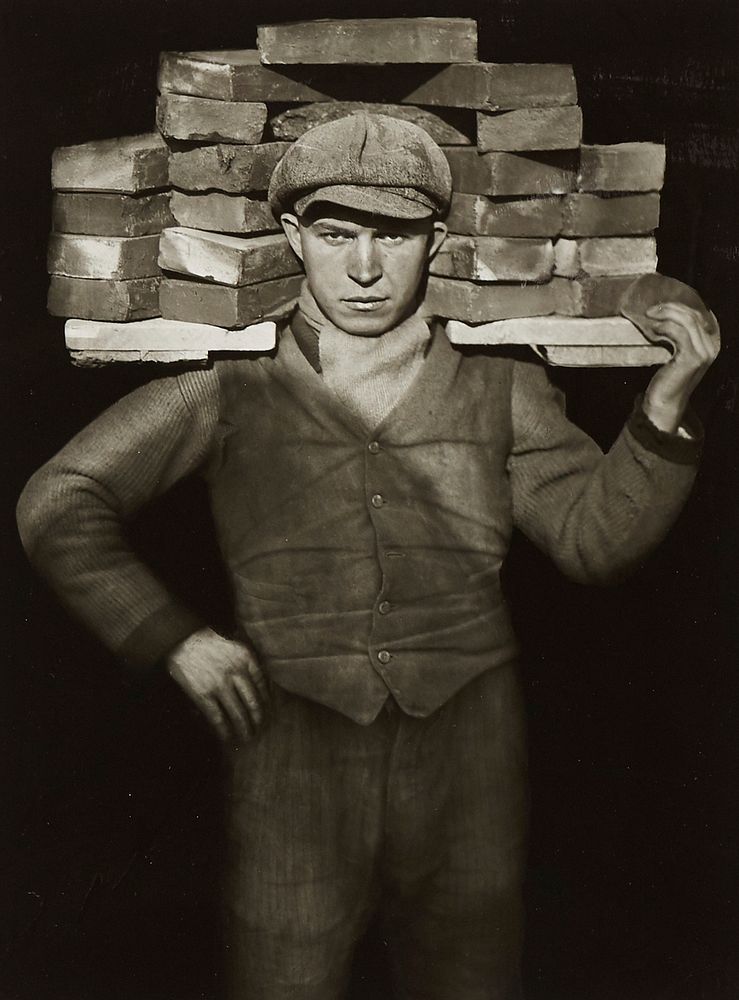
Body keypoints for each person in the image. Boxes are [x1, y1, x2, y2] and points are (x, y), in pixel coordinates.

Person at [17, 113, 720, 1000]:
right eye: (336, 234)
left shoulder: (503, 385)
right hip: (291, 753)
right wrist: (171, 638)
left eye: (391, 236)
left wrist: (662, 410)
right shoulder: (226, 382)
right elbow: (59, 501)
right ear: (291, 236)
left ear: (434, 240)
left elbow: (594, 544)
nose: (361, 268)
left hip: (468, 754)